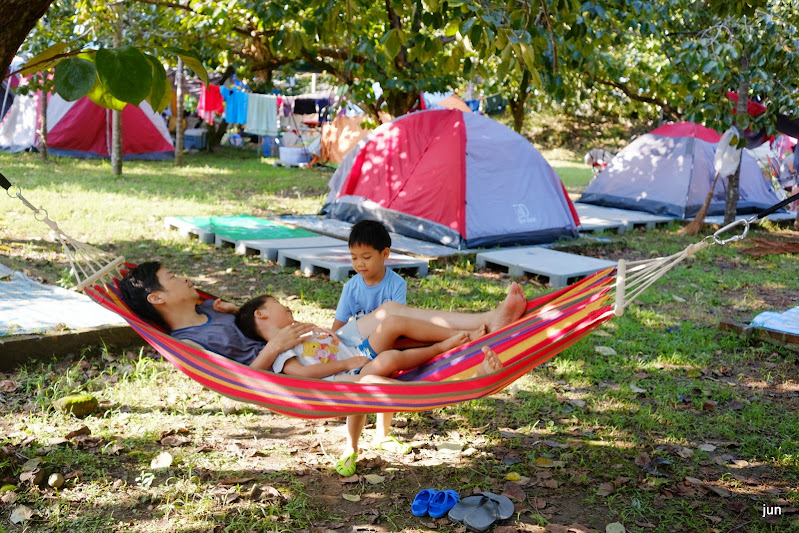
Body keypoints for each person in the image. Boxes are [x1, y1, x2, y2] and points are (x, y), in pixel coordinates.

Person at [117, 261, 527, 473]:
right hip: (300, 371)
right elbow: (243, 378)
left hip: (322, 347)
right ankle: (477, 341)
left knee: (390, 313)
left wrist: (231, 307)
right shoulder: (189, 344)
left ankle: (487, 322)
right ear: (157, 299)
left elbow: (252, 318)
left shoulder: (205, 306)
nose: (185, 277)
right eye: (173, 277)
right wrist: (275, 345)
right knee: (394, 332)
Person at [331, 220, 409, 455]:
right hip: (358, 350)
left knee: (383, 387)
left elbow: (401, 321)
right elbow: (339, 325)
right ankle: (351, 446)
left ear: (384, 254)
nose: (359, 264)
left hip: (384, 347)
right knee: (359, 394)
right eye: (354, 258)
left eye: (366, 257)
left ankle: (382, 436)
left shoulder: (396, 284)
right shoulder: (351, 287)